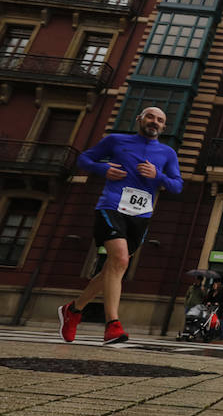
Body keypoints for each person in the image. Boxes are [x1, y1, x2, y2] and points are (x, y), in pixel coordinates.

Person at [57, 107, 183, 345]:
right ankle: (112, 326)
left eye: (160, 120)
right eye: (150, 117)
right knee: (121, 260)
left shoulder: (168, 153)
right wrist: (103, 168)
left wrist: (157, 175)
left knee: (114, 267)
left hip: (141, 214)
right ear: (139, 119)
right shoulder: (116, 140)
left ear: (164, 127)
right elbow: (84, 159)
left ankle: (73, 310)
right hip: (112, 206)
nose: (154, 122)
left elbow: (177, 186)